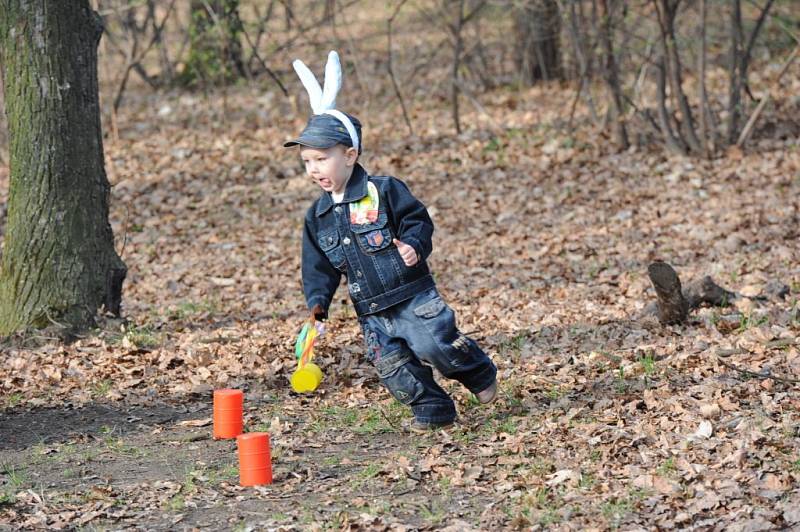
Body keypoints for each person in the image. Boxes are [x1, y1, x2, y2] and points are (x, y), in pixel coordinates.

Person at [284, 51, 497, 431]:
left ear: (350, 155)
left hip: (412, 297)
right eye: (307, 162)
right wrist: (317, 306)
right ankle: (433, 411)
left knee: (437, 347)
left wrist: (414, 243)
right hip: (370, 310)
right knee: (393, 367)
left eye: (322, 159)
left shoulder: (382, 191)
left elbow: (418, 219)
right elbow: (316, 267)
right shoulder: (318, 216)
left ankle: (478, 374)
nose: (314, 169)